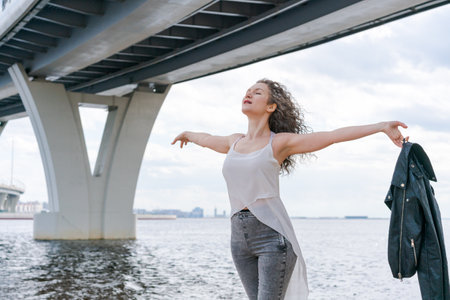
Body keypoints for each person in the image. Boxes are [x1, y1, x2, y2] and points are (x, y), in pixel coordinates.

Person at [171, 79, 408, 300]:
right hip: (239, 240)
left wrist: (381, 126)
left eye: (258, 92)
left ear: (271, 106)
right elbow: (206, 138)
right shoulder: (233, 142)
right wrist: (188, 135)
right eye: (248, 91)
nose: (249, 93)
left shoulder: (279, 143)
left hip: (271, 237)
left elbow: (331, 136)